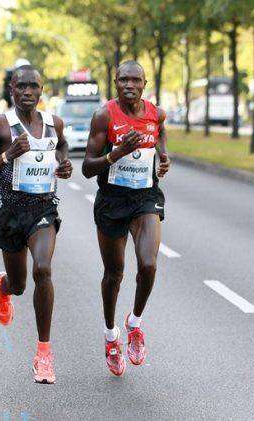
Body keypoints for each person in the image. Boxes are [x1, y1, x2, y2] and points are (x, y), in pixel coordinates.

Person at [0, 65, 72, 384]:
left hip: (43, 210)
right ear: (11, 90)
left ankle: (44, 354)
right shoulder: (0, 125)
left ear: (41, 90)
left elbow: (62, 146)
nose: (27, 92)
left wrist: (64, 163)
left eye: (33, 86)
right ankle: (5, 287)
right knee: (20, 285)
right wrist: (6, 156)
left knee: (43, 270)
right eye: (21, 86)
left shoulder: (54, 123)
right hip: (11, 213)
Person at [82, 60, 170, 376]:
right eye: (123, 80)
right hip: (112, 200)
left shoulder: (156, 114)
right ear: (115, 83)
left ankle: (134, 323)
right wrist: (116, 153)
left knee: (148, 264)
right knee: (114, 274)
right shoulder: (104, 116)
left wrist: (163, 156)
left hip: (145, 197)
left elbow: (160, 134)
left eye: (135, 80)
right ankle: (110, 335)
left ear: (145, 83)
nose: (129, 85)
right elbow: (87, 167)